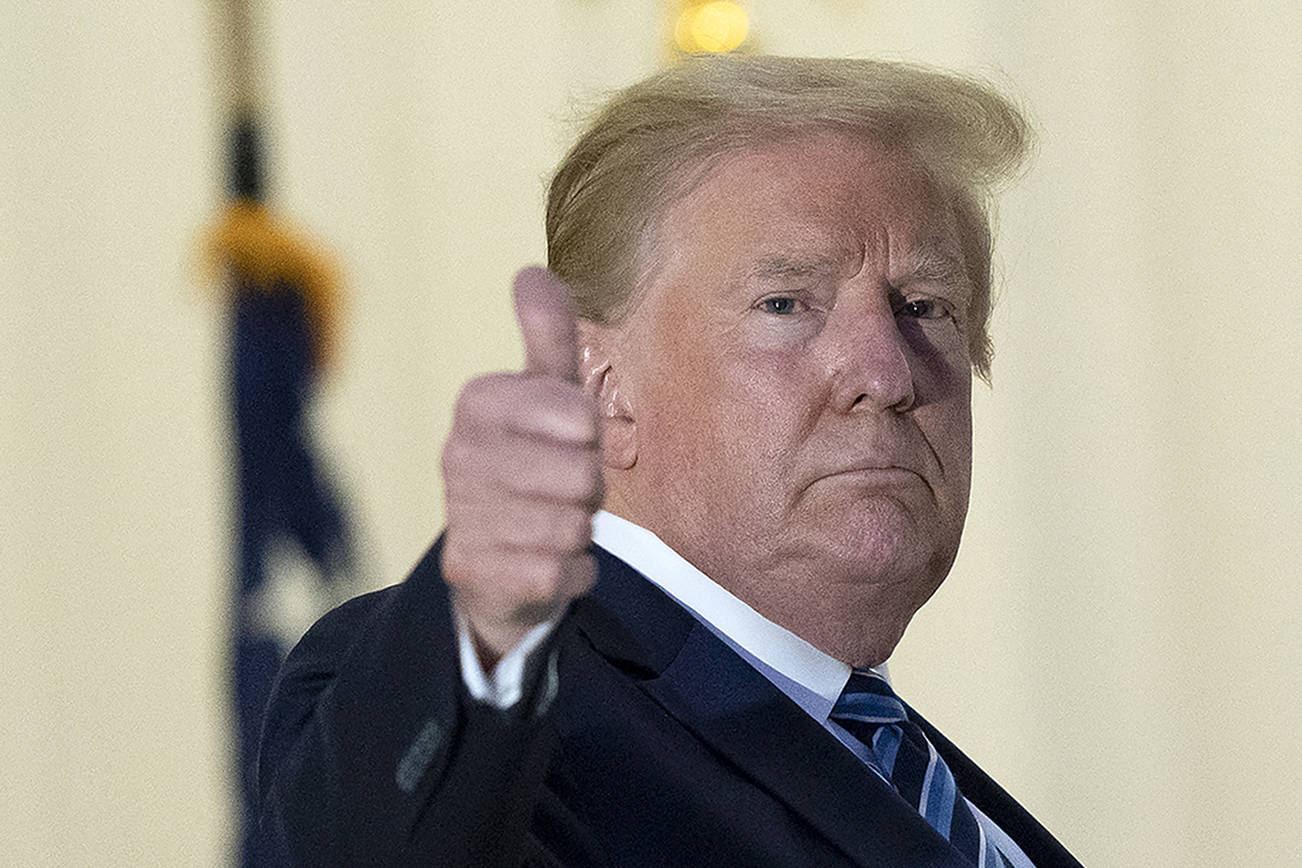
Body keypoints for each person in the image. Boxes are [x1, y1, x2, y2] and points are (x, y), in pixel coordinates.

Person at [257, 55, 1084, 867]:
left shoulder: (906, 769)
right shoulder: (515, 719)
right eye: (785, 303)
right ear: (606, 388)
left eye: (923, 307)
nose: (883, 373)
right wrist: (481, 637)